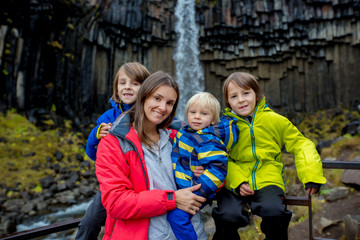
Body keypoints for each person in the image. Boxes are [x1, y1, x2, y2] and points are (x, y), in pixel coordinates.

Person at [212, 72, 327, 240]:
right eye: (234, 96)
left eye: (246, 93)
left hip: (268, 178)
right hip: (235, 179)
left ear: (257, 94)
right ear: (227, 102)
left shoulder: (275, 120)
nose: (241, 100)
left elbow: (302, 144)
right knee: (227, 216)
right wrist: (236, 181)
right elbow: (218, 155)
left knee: (275, 213)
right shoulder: (224, 126)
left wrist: (311, 176)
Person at [95, 71, 207, 240]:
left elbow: (213, 173)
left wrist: (204, 173)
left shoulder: (178, 138)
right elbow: (116, 203)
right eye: (157, 98)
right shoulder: (113, 143)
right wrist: (172, 199)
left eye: (170, 103)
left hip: (192, 232)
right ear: (143, 97)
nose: (163, 107)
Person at [75, 62, 150, 240]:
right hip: (115, 184)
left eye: (135, 83)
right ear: (116, 88)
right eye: (122, 83)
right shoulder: (107, 118)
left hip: (145, 182)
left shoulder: (152, 114)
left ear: (146, 87)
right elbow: (93, 154)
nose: (127, 87)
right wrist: (95, 135)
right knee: (89, 222)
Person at [168, 92, 238, 240]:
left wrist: (199, 189)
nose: (197, 116)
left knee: (177, 217)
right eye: (192, 112)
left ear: (213, 120)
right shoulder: (186, 132)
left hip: (198, 189)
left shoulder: (208, 139)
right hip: (186, 186)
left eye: (204, 113)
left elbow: (218, 169)